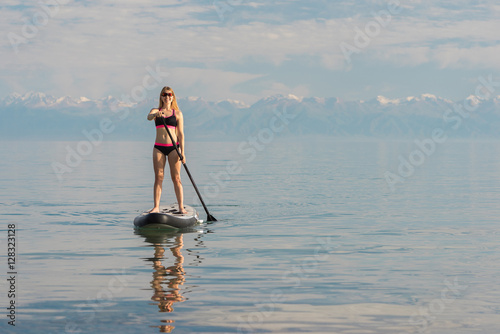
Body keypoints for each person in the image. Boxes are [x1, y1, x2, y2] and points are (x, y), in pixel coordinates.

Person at [147, 86, 187, 214]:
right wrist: (155, 115)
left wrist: (183, 152)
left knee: (176, 178)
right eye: (164, 94)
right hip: (158, 147)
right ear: (161, 97)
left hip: (173, 148)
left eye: (170, 94)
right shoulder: (155, 110)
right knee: (159, 177)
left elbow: (181, 134)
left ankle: (181, 207)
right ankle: (156, 207)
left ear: (173, 97)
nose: (167, 97)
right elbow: (149, 117)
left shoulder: (178, 113)